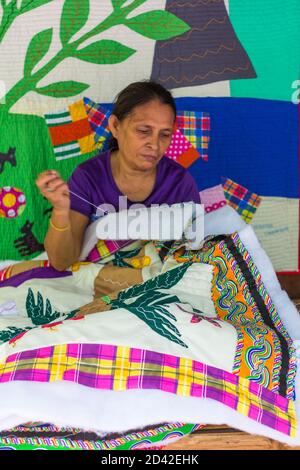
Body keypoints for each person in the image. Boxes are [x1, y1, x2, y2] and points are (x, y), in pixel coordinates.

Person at [36, 81, 201, 271]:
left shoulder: (179, 182)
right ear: (115, 126)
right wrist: (60, 210)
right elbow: (61, 262)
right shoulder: (88, 177)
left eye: (164, 134)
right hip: (98, 281)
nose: (154, 145)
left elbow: (193, 253)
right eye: (143, 131)